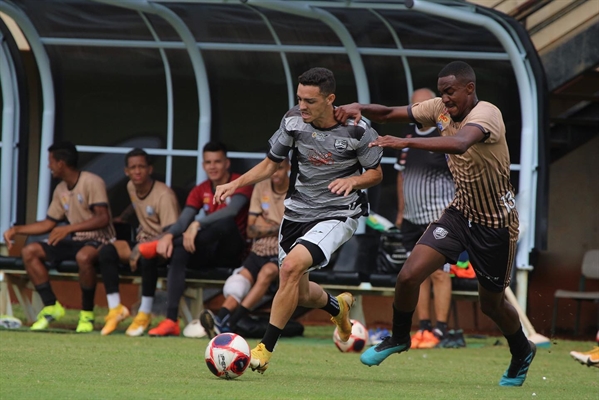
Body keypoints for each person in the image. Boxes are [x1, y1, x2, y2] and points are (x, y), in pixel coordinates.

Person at [335, 61, 535, 387]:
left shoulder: (487, 114)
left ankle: (522, 351)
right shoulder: (439, 109)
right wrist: (359, 107)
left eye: (451, 92)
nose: (445, 99)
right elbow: (387, 113)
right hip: (459, 213)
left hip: (496, 224)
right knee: (408, 275)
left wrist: (407, 142)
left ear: (470, 88)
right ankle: (400, 338)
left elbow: (460, 143)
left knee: (492, 305)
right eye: (442, 92)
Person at [213, 67, 383, 374]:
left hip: (338, 213)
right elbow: (270, 164)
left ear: (330, 99)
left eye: (310, 100)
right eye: (299, 98)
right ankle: (338, 307)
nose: (302, 106)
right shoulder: (292, 120)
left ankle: (264, 348)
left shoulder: (359, 130)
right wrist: (234, 184)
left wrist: (353, 182)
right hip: (296, 214)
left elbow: (376, 173)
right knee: (299, 291)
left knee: (290, 268)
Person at [135, 141, 253, 337]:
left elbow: (232, 211)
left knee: (225, 222)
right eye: (208, 162)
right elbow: (183, 221)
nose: (212, 166)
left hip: (233, 253)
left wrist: (197, 225)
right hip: (207, 248)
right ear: (203, 165)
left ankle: (168, 243)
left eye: (217, 161)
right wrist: (170, 236)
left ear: (227, 163)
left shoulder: (240, 182)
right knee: (179, 250)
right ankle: (171, 320)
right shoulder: (200, 190)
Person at [2, 141, 115, 332]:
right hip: (74, 240)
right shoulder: (61, 189)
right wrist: (17, 229)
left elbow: (103, 218)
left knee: (83, 257)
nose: (49, 166)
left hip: (99, 241)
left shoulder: (92, 181)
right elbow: (48, 223)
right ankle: (51, 306)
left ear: (61, 163)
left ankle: (87, 314)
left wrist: (69, 229)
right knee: (30, 251)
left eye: (51, 161)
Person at [199, 159, 290, 338]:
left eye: (280, 169)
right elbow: (250, 229)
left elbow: (290, 231)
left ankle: (230, 323)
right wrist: (277, 225)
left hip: (283, 251)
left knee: (266, 273)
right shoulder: (261, 187)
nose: (276, 173)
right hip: (259, 250)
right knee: (238, 282)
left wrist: (266, 224)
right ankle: (220, 319)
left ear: (289, 167)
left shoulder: (294, 190)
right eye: (273, 169)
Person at [394, 88, 455, 350]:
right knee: (415, 275)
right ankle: (424, 328)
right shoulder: (407, 138)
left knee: (440, 274)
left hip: (438, 217)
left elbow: (459, 173)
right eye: (414, 105)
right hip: (411, 218)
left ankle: (441, 330)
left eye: (424, 105)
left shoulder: (444, 136)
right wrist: (400, 211)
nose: (419, 109)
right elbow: (400, 176)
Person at [98, 148, 180, 336]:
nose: (137, 171)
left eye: (141, 167)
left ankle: (145, 312)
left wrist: (142, 248)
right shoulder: (130, 187)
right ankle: (115, 309)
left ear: (149, 169)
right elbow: (136, 204)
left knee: (146, 257)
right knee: (106, 251)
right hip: (142, 240)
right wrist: (123, 217)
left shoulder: (163, 195)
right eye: (132, 167)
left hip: (163, 247)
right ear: (126, 171)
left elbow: (172, 232)